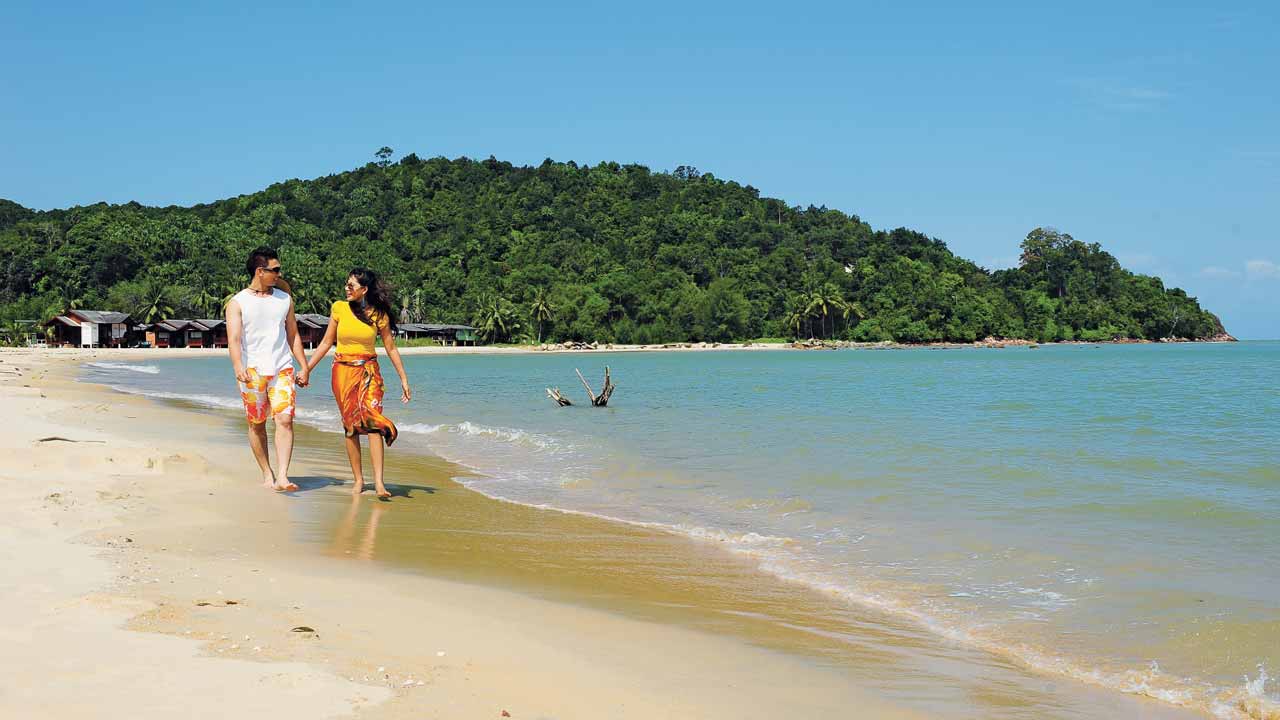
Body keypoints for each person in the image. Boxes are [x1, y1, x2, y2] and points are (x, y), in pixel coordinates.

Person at [305, 268, 411, 498]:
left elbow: (391, 348)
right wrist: (306, 369)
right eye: (346, 284)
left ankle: (379, 483)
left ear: (364, 290)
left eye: (351, 286)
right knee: (351, 427)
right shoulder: (339, 308)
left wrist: (403, 378)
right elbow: (326, 343)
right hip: (342, 372)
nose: (346, 288)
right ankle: (359, 480)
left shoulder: (379, 315)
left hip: (369, 372)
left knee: (372, 422)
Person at [225, 247, 310, 492]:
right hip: (251, 371)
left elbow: (293, 335)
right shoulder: (237, 302)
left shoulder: (285, 299)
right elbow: (234, 339)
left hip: (282, 368)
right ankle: (267, 472)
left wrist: (304, 366)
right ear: (259, 271)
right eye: (275, 270)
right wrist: (238, 366)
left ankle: (283, 476)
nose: (279, 274)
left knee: (285, 420)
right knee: (256, 423)